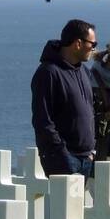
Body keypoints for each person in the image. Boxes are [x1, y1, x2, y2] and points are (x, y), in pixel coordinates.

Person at [31, 19, 97, 179]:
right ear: (78, 43)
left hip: (86, 157)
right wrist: (61, 153)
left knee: (78, 205)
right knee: (62, 205)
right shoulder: (48, 73)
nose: (94, 48)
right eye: (93, 44)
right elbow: (43, 120)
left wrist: (91, 152)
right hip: (63, 159)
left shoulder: (84, 72)